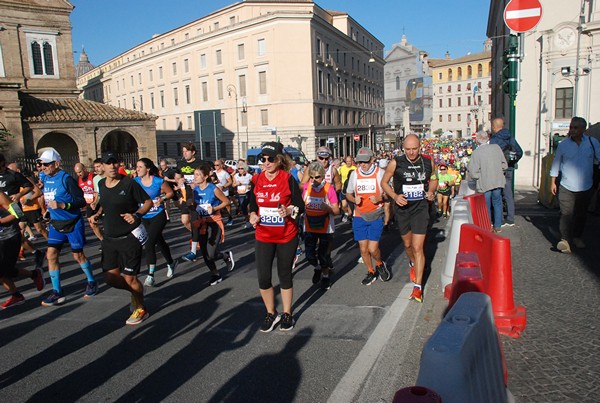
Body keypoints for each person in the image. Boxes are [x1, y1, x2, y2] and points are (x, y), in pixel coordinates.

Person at [89, 151, 153, 325]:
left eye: (114, 162)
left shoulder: (129, 183)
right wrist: (97, 213)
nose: (112, 166)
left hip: (129, 237)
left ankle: (141, 307)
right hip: (109, 238)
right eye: (108, 163)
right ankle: (136, 292)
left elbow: (148, 202)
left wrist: (137, 215)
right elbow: (105, 202)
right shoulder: (101, 184)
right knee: (110, 278)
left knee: (130, 278)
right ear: (101, 166)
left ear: (119, 164)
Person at [248, 142, 304, 332]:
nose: (266, 162)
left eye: (270, 159)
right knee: (263, 277)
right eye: (262, 159)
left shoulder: (287, 179)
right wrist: (252, 215)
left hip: (286, 235)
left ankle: (287, 313)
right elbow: (252, 204)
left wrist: (288, 210)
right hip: (263, 234)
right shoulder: (256, 179)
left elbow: (300, 206)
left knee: (284, 275)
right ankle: (271, 313)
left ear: (279, 160)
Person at [381, 134, 438, 303]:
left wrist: (431, 191)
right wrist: (395, 196)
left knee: (418, 246)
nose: (412, 153)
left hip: (420, 208)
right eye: (408, 149)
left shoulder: (428, 161)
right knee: (407, 245)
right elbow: (384, 182)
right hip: (403, 209)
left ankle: (418, 288)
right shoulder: (395, 162)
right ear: (403, 148)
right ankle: (412, 263)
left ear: (420, 147)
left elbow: (434, 179)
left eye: (415, 149)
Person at [37, 149, 97, 306]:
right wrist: (48, 212)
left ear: (56, 164)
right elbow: (47, 195)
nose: (43, 167)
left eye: (46, 164)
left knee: (78, 256)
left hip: (72, 222)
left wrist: (63, 205)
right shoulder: (44, 177)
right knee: (51, 255)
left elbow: (81, 201)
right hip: (56, 224)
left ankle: (91, 281)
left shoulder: (66, 179)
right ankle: (57, 292)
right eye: (41, 164)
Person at [550, 116, 600, 253]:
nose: (572, 130)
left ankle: (577, 236)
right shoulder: (564, 144)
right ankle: (565, 240)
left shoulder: (592, 143)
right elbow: (556, 162)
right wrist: (553, 181)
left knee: (581, 214)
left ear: (583, 129)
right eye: (571, 127)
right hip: (566, 185)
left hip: (586, 185)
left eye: (575, 128)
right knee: (566, 213)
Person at [346, 147, 391, 286]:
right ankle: (371, 271)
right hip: (359, 216)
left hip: (376, 215)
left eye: (365, 162)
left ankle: (379, 263)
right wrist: (354, 200)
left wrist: (380, 198)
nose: (363, 165)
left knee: (373, 249)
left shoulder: (380, 173)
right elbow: (348, 193)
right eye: (360, 162)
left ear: (372, 160)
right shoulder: (355, 174)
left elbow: (390, 194)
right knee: (363, 249)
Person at [134, 158, 178, 286]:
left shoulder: (158, 181)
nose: (137, 169)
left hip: (158, 215)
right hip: (144, 217)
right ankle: (171, 262)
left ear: (147, 169)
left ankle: (150, 275)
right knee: (159, 241)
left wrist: (162, 198)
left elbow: (170, 192)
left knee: (149, 243)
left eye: (140, 167)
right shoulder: (135, 182)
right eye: (137, 167)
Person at [190, 165, 235, 285]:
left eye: (197, 175)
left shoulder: (213, 189)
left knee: (211, 253)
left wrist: (214, 208)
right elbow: (196, 205)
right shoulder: (195, 190)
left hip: (214, 222)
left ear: (205, 176)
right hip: (202, 223)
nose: (195, 177)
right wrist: (191, 206)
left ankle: (225, 256)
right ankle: (215, 274)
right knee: (205, 253)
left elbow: (226, 201)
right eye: (194, 175)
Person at [0, 192, 45, 309]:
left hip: (9, 237)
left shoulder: (1, 196)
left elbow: (17, 213)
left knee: (4, 270)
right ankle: (17, 295)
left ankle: (34, 275)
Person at [302, 161, 340, 290]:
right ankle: (317, 268)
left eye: (317, 177)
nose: (314, 180)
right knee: (309, 255)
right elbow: (302, 205)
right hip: (309, 226)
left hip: (325, 227)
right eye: (311, 177)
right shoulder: (307, 187)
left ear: (323, 176)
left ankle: (325, 276)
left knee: (323, 255)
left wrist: (327, 208)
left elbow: (336, 211)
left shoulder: (329, 188)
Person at [468, 130, 507, 232]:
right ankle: (498, 225)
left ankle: (488, 225)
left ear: (477, 141)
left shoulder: (476, 153)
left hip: (484, 182)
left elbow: (473, 171)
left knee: (486, 205)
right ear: (488, 138)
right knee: (497, 202)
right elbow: (504, 165)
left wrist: (477, 177)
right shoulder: (496, 148)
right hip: (497, 180)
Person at [490, 117, 523, 226]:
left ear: (494, 127)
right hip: (509, 168)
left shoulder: (495, 140)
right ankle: (510, 218)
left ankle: (498, 219)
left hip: (498, 170)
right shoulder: (510, 137)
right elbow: (520, 152)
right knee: (508, 194)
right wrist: (512, 162)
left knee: (497, 194)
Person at [74, 162, 104, 242]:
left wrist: (96, 201)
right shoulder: (78, 180)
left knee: (105, 222)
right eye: (77, 173)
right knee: (92, 224)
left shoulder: (94, 177)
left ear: (84, 169)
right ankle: (103, 240)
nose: (78, 174)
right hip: (89, 203)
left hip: (99, 202)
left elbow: (98, 191)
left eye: (80, 172)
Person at [232, 161, 253, 229]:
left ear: (245, 169)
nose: (240, 170)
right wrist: (236, 184)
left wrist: (249, 186)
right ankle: (248, 221)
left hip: (248, 193)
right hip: (240, 194)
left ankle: (251, 220)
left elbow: (254, 184)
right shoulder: (236, 176)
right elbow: (233, 185)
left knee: (248, 207)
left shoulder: (249, 176)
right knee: (243, 208)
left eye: (242, 168)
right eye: (239, 168)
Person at [214, 159, 234, 226]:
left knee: (227, 206)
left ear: (221, 165)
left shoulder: (225, 173)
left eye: (217, 165)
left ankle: (230, 218)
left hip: (224, 192)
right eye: (215, 165)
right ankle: (219, 220)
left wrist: (224, 186)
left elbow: (230, 182)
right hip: (216, 192)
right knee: (217, 206)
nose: (215, 166)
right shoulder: (214, 173)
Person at [338, 156, 356, 222]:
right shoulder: (342, 168)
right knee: (344, 205)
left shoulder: (354, 168)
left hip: (352, 190)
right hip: (344, 189)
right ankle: (346, 213)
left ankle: (350, 216)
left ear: (352, 161)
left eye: (350, 161)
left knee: (351, 205)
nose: (348, 163)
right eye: (347, 161)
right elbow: (338, 177)